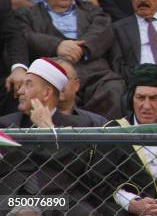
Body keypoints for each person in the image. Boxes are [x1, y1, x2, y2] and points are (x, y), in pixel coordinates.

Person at [15, 0, 123, 118]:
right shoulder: (28, 15)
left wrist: (82, 48)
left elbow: (104, 30)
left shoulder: (92, 11)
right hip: (51, 77)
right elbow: (24, 35)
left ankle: (105, 142)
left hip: (95, 75)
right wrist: (57, 46)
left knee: (114, 88)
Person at [92, 64, 157, 215]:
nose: (146, 106)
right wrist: (132, 203)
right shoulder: (113, 131)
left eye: (154, 98)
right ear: (131, 98)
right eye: (140, 98)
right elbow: (101, 183)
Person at [0, 58, 98, 215]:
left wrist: (48, 131)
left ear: (47, 93)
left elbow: (72, 165)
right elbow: (8, 166)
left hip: (62, 201)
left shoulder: (77, 126)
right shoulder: (5, 125)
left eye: (28, 85)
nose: (19, 91)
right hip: (10, 200)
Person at [55, 58, 107, 126]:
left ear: (76, 85)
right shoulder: (37, 123)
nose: (58, 83)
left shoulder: (97, 123)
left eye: (64, 78)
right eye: (52, 79)